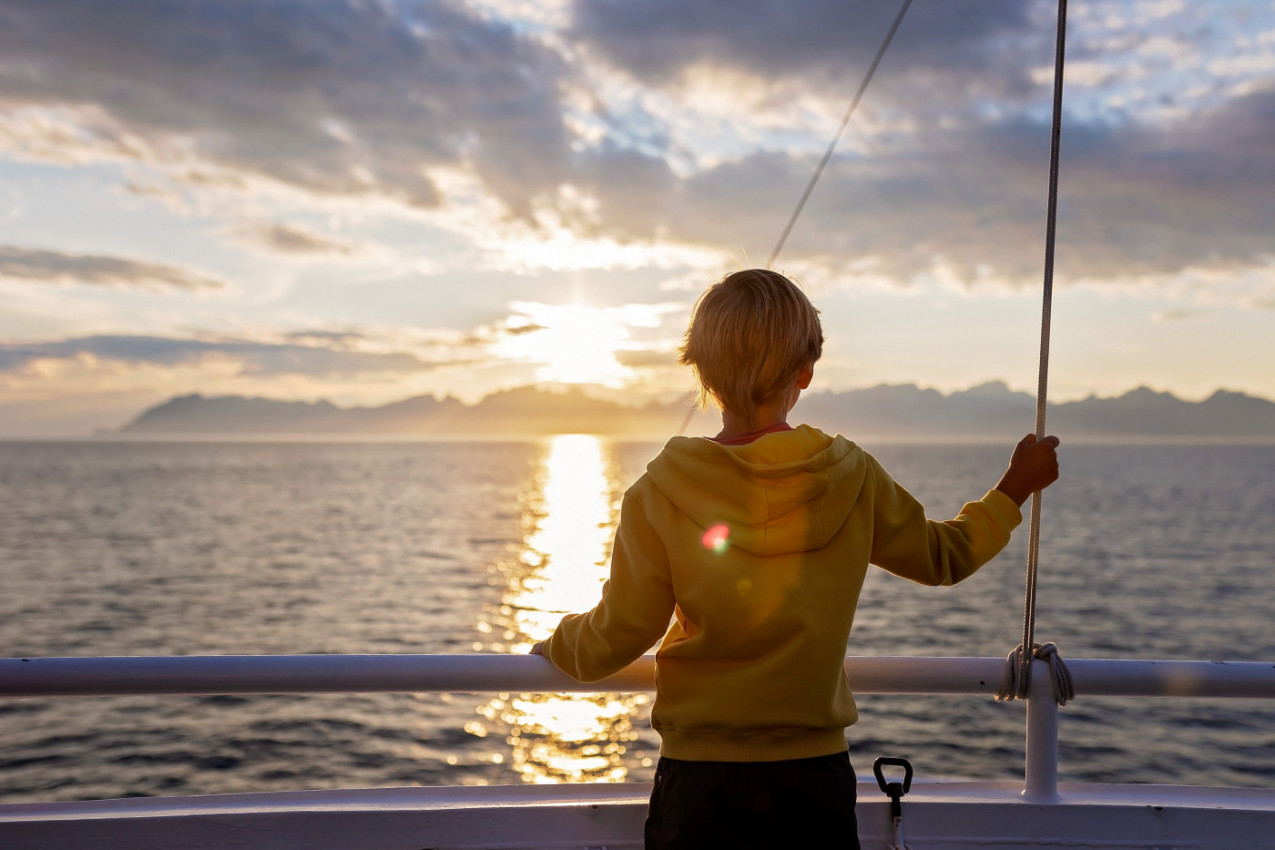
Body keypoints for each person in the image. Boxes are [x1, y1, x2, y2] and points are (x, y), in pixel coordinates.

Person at [531, 268, 1061, 849]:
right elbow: (945, 557)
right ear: (804, 373)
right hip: (812, 779)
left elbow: (620, 633)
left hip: (701, 782)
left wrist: (557, 645)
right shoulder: (850, 475)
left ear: (701, 373)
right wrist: (1013, 489)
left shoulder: (657, 493)